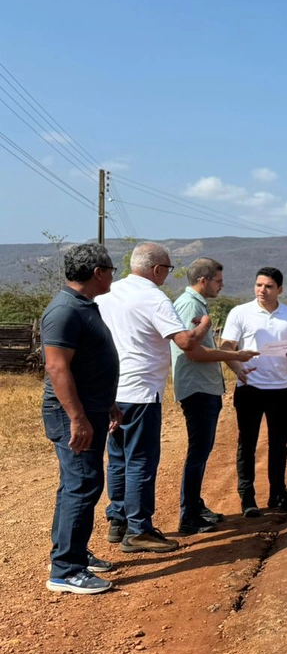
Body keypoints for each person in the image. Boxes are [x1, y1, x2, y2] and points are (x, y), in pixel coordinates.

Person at [97, 242, 209, 553]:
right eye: (168, 270)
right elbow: (185, 342)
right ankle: (139, 530)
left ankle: (117, 521)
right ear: (157, 270)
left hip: (111, 391)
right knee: (141, 461)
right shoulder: (154, 298)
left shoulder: (109, 292)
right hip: (141, 392)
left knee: (117, 459)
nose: (167, 276)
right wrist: (203, 325)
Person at [42, 242, 121, 594]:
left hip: (91, 407)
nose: (111, 277)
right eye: (110, 271)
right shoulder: (64, 310)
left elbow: (89, 363)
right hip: (71, 414)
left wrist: (107, 404)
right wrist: (77, 417)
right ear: (98, 273)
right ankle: (66, 570)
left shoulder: (84, 306)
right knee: (83, 483)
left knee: (76, 484)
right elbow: (57, 367)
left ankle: (72, 553)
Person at [171, 258, 259, 534]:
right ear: (204, 280)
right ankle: (189, 517)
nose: (222, 286)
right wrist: (235, 355)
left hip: (204, 387)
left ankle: (195, 507)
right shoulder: (190, 305)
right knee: (198, 452)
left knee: (202, 450)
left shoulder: (196, 305)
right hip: (197, 389)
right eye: (219, 281)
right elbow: (192, 351)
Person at [220, 266, 287, 516]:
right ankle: (247, 499)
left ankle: (278, 495)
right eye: (259, 285)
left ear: (280, 289)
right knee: (246, 443)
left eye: (268, 286)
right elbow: (227, 345)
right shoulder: (240, 312)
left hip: (281, 389)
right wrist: (237, 369)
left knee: (279, 444)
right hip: (249, 388)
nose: (262, 290)